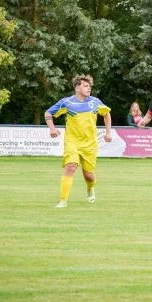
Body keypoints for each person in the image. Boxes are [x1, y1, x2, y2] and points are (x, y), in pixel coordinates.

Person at [46, 74, 112, 208]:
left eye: (90, 86)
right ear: (77, 87)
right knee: (70, 167)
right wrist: (52, 128)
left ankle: (90, 188)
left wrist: (108, 132)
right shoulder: (67, 102)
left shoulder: (95, 102)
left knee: (89, 176)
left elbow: (106, 114)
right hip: (72, 142)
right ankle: (63, 201)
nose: (89, 89)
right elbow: (48, 113)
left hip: (90, 144)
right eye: (85, 86)